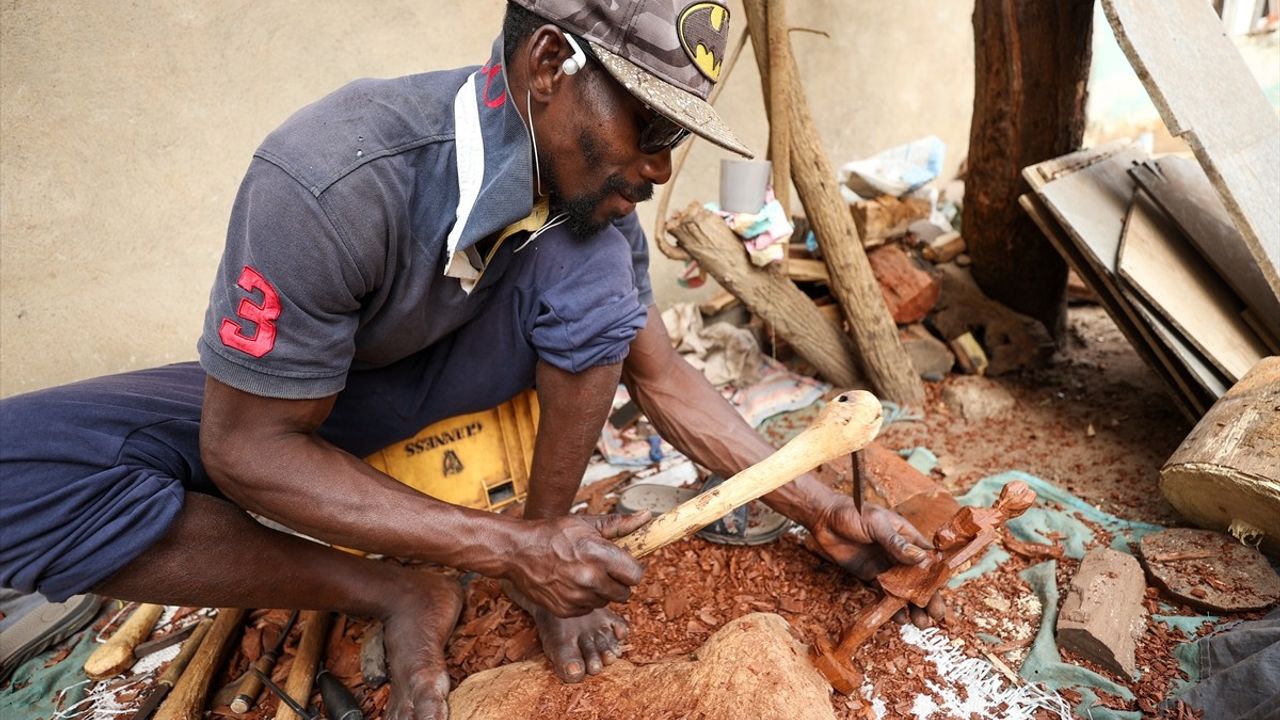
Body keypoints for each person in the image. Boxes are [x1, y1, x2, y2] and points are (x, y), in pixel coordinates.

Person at [0, 2, 941, 718]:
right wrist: (509, 553)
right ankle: (396, 589)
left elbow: (659, 374)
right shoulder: (331, 179)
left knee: (593, 259)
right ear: (549, 65)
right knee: (15, 472)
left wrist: (820, 507)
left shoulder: (592, 199)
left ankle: (546, 534)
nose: (661, 166)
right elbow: (246, 445)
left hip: (477, 377)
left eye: (676, 136)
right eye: (649, 127)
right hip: (323, 401)